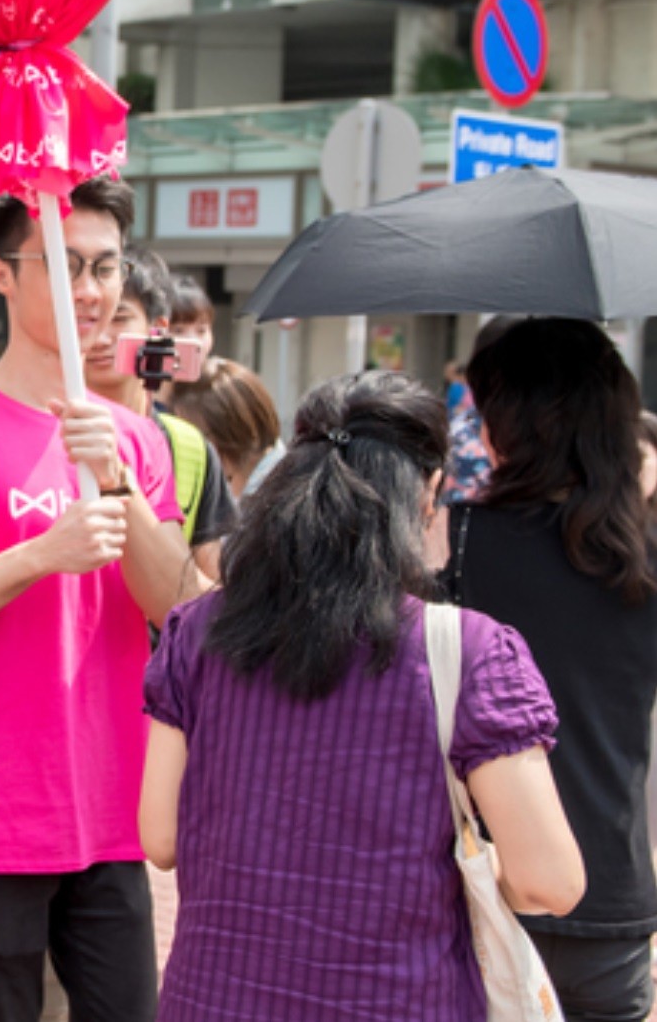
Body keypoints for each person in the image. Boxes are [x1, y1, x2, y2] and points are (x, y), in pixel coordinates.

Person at [139, 370, 585, 1020]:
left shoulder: (198, 631)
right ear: (426, 494)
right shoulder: (467, 651)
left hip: (212, 1000)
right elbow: (553, 880)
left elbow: (160, 834)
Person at [0, 178, 204, 1022]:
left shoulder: (134, 437)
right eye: (64, 265)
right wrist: (36, 556)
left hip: (111, 814)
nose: (89, 289)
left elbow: (178, 609)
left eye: (105, 267)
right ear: (5, 275)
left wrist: (123, 485)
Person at [454, 319, 657, 1020]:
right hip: (616, 901)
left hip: (486, 893)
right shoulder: (643, 555)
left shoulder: (462, 543)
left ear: (510, 421)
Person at [83, 252, 238, 577]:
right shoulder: (47, 433)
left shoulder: (189, 449)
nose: (102, 337)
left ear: (158, 328)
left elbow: (211, 585)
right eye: (87, 320)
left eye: (119, 317)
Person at [166, 356, 285, 500]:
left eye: (196, 436)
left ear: (235, 430)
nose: (184, 446)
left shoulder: (283, 494)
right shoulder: (233, 483)